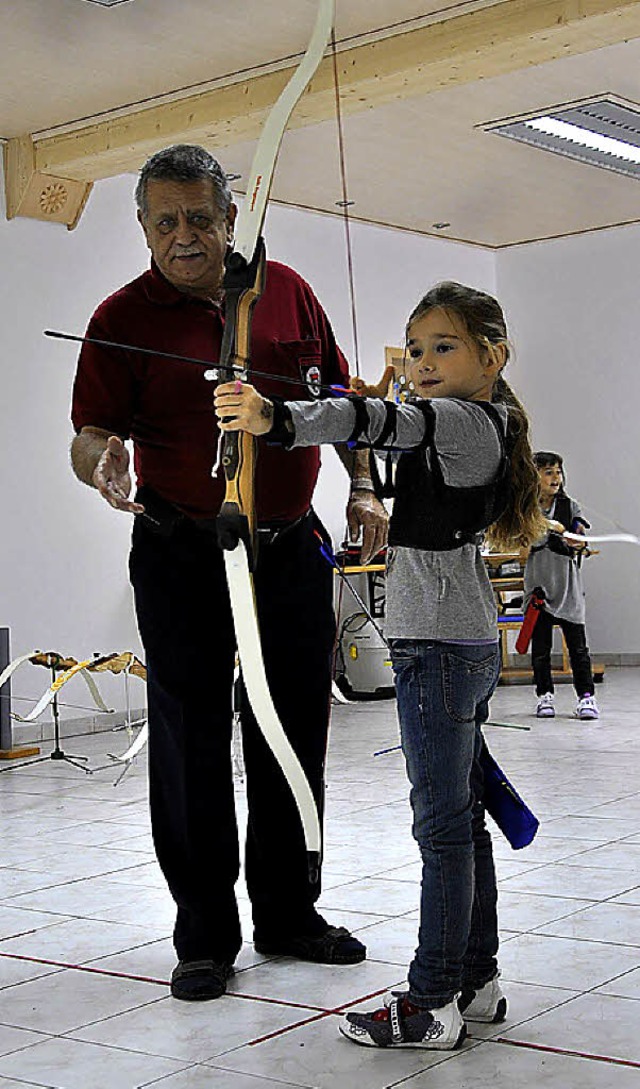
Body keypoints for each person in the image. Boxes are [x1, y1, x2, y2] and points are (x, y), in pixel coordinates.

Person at [69, 144, 388, 1001]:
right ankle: (204, 933)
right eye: (164, 221)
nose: (184, 236)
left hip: (286, 548)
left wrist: (362, 486)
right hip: (181, 553)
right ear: (142, 226)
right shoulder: (119, 317)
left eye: (200, 217)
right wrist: (100, 462)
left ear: (230, 217)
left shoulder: (286, 293)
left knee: (291, 731)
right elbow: (90, 431)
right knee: (188, 741)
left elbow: (343, 403)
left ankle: (289, 914)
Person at [214, 281, 546, 1049]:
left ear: (492, 356)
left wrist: (274, 417)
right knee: (462, 821)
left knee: (442, 830)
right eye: (417, 347)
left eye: (444, 347)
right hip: (457, 641)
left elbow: (377, 418)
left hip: (436, 649)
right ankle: (477, 981)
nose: (424, 363)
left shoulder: (462, 420)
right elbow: (388, 417)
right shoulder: (477, 422)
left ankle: (430, 1000)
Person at [525, 451, 599, 721]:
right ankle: (545, 695)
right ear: (535, 476)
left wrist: (578, 539)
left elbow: (579, 531)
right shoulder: (528, 509)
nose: (556, 477)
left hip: (567, 587)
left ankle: (586, 698)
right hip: (539, 587)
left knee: (578, 647)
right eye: (548, 472)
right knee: (541, 647)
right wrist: (548, 528)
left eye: (558, 472)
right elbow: (526, 541)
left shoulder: (570, 506)